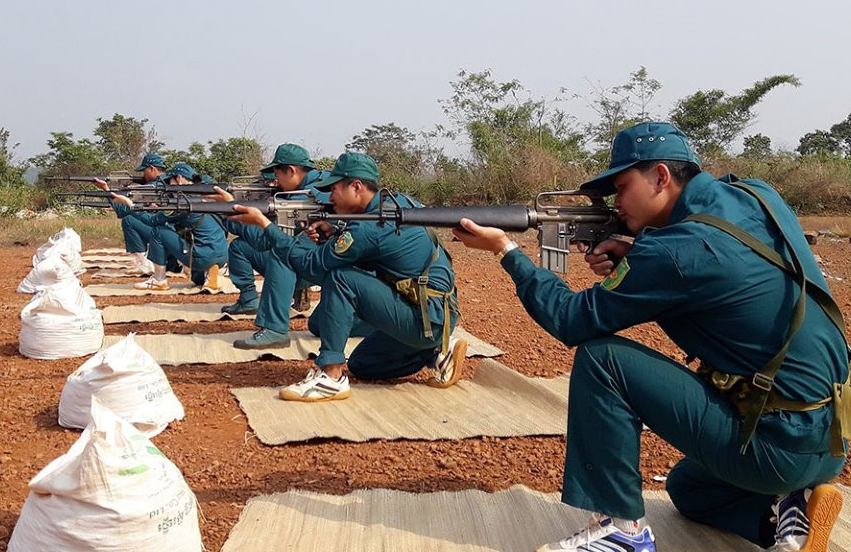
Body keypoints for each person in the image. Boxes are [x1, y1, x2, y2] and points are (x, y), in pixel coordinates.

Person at [453, 122, 849, 552]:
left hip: (775, 441)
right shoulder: (756, 194)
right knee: (687, 488)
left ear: (661, 176)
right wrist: (636, 252)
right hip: (830, 438)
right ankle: (786, 514)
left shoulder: (674, 252)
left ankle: (623, 531)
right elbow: (721, 267)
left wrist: (506, 253)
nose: (615, 204)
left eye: (621, 187)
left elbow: (572, 320)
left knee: (603, 359)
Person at [229, 152, 468, 401]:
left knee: (341, 278)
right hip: (434, 311)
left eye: (334, 190)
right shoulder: (397, 203)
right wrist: (335, 230)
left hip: (423, 318)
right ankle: (437, 352)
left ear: (356, 187)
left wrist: (266, 226)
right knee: (363, 364)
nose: (330, 198)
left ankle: (330, 377)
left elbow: (312, 266)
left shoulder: (369, 228)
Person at [218, 143, 331, 350]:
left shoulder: (305, 197)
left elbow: (266, 240)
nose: (275, 182)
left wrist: (233, 212)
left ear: (291, 170)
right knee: (318, 326)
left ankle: (275, 329)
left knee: (283, 254)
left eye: (278, 175)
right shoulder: (316, 186)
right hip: (334, 268)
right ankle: (251, 300)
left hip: (341, 273)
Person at [111, 162, 228, 291]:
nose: (169, 185)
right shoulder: (208, 197)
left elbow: (152, 221)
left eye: (171, 180)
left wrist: (130, 204)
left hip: (203, 254)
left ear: (178, 178)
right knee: (196, 279)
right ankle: (210, 271)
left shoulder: (182, 201)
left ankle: (159, 279)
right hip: (222, 254)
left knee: (158, 231)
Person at [92, 153, 173, 275]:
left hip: (165, 233)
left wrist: (106, 190)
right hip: (173, 232)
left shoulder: (152, 187)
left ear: (152, 168)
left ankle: (145, 264)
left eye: (144, 171)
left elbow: (123, 210)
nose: (143, 175)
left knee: (129, 220)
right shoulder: (166, 182)